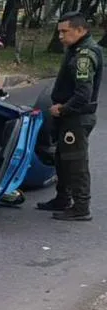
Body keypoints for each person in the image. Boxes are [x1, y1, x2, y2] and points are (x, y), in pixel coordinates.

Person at [37, 12, 103, 221]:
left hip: (76, 117)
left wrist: (63, 109)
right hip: (69, 118)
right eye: (59, 32)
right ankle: (62, 198)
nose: (61, 36)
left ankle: (81, 207)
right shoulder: (76, 50)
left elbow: (83, 94)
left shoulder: (84, 55)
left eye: (65, 32)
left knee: (76, 163)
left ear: (80, 30)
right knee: (62, 159)